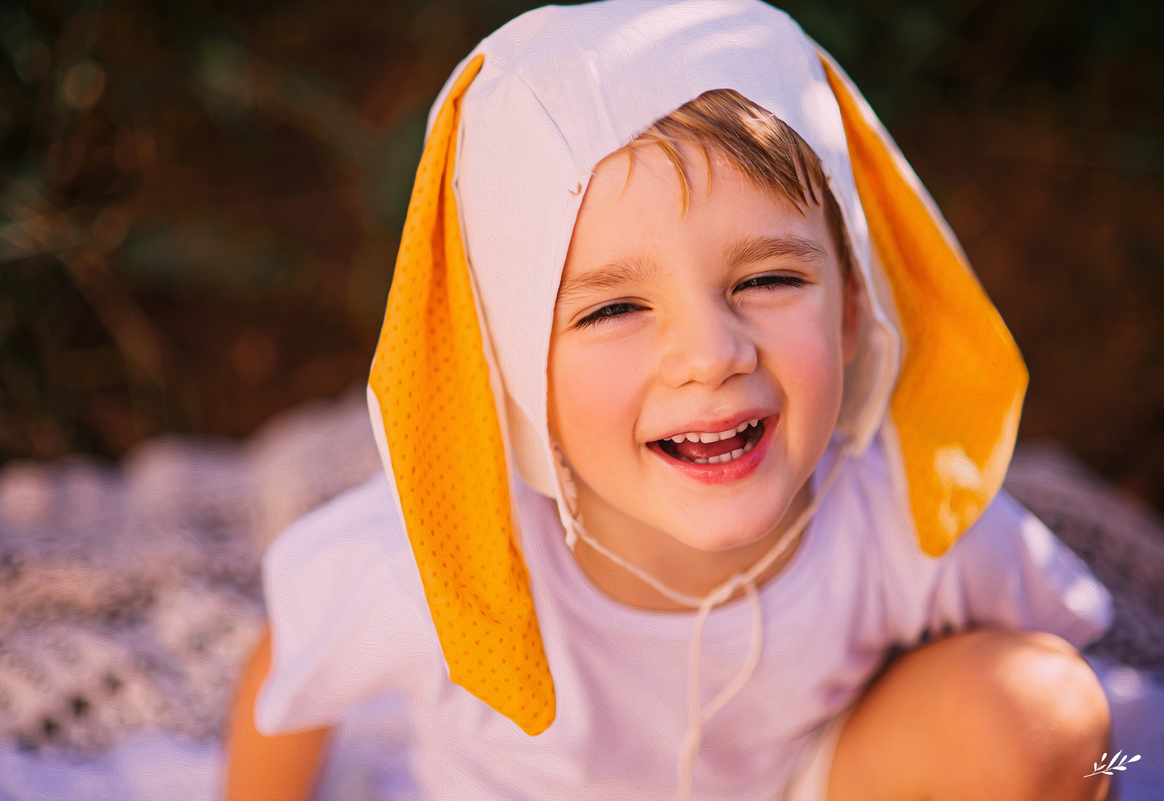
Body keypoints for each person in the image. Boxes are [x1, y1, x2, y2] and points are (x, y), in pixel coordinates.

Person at [224, 1, 1115, 799]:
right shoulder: (450, 560)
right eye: (613, 307)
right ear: (507, 364)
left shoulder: (907, 517)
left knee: (1046, 713)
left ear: (852, 308)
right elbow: (286, 676)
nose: (710, 355)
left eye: (767, 278)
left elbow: (1072, 695)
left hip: (808, 783)